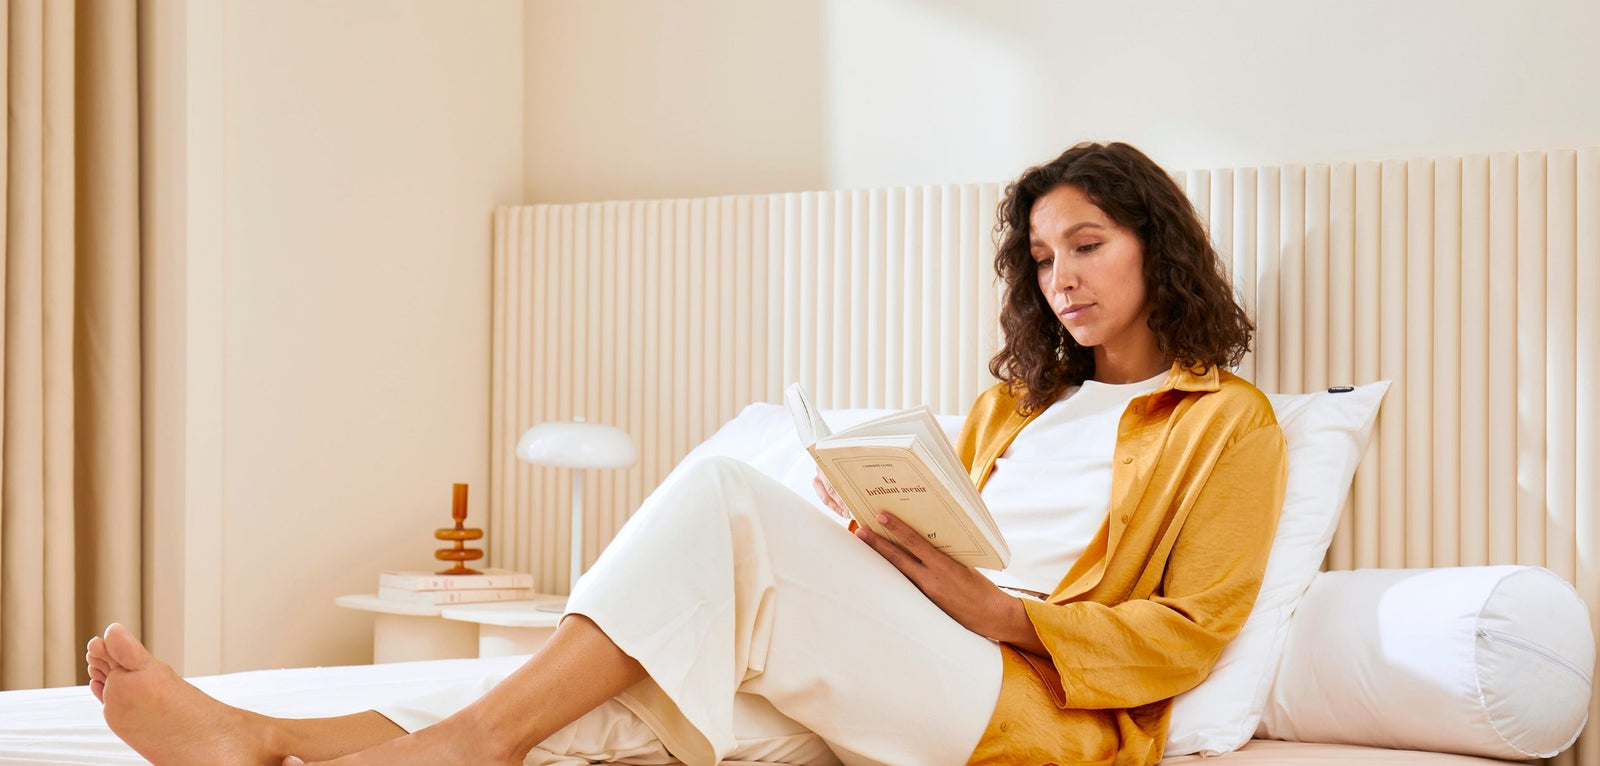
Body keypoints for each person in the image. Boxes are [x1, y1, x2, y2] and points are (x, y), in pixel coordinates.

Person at [85, 141, 1287, 766]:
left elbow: (1193, 630)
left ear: (1155, 247)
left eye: (1086, 244)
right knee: (612, 708)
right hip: (914, 655)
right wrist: (877, 537)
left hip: (1024, 708)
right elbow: (952, 540)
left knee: (725, 498)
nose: (1060, 275)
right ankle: (267, 740)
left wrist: (1000, 611)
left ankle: (469, 749)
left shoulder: (1226, 420)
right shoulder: (1010, 411)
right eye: (1040, 256)